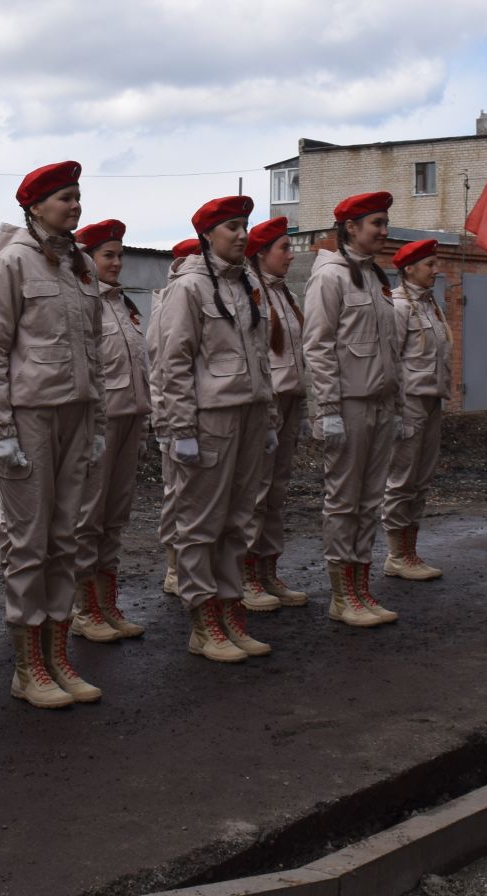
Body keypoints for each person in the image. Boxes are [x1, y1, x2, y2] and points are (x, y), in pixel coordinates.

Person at [0, 160, 106, 708]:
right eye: (63, 198)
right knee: (30, 542)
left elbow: (95, 353)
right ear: (33, 206)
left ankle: (56, 654)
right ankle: (28, 665)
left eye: (77, 197)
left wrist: (97, 422)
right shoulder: (10, 263)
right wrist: (0, 430)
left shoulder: (81, 265)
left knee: (67, 537)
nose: (74, 206)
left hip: (76, 416)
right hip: (29, 418)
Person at [151, 196, 278, 662]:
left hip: (249, 414)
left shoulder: (246, 283)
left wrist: (269, 418)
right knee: (201, 524)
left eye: (245, 225)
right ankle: (203, 622)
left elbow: (261, 356)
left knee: (238, 520)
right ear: (208, 235)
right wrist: (179, 428)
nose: (243, 235)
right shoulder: (189, 288)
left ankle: (230, 612)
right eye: (232, 227)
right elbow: (172, 363)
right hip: (209, 419)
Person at [301, 192, 403, 627]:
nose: (383, 230)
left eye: (384, 223)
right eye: (376, 223)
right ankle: (342, 596)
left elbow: (390, 350)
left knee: (369, 500)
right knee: (344, 502)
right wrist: (326, 410)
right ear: (350, 228)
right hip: (348, 405)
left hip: (379, 403)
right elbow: (318, 348)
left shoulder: (377, 277)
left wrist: (397, 405)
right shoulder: (331, 278)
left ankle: (362, 588)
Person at [70, 217, 150, 643]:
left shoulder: (122, 304)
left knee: (115, 517)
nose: (116, 263)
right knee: (89, 516)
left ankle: (107, 601)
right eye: (108, 255)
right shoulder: (85, 302)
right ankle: (84, 608)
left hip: (131, 418)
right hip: (99, 422)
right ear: (88, 258)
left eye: (119, 255)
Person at [244, 215, 309, 608]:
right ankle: (245, 573)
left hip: (291, 399)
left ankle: (268, 570)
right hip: (267, 402)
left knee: (277, 490)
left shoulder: (285, 294)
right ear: (262, 254)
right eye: (284, 248)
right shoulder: (252, 294)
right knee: (257, 490)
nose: (291, 255)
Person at [383, 238, 452, 577]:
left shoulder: (429, 305)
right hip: (409, 403)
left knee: (421, 479)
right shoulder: (398, 307)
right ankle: (396, 555)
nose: (435, 270)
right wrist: (395, 412)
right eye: (429, 265)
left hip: (432, 399)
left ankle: (410, 552)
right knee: (402, 479)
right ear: (408, 268)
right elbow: (391, 360)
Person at [153, 236, 201, 598]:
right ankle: (174, 567)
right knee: (178, 494)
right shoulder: (173, 299)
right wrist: (166, 424)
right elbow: (162, 367)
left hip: (206, 413)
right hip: (178, 414)